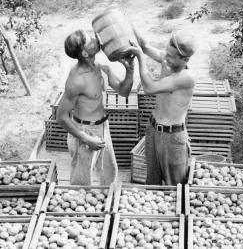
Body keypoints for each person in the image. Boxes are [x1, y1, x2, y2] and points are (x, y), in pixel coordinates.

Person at [56, 29, 134, 185]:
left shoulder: (102, 67)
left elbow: (124, 92)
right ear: (85, 53)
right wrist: (86, 138)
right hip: (84, 131)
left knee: (109, 174)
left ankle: (107, 205)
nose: (95, 38)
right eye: (89, 40)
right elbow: (61, 116)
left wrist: (130, 70)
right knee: (82, 183)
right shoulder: (77, 80)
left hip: (103, 127)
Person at [128, 29, 196, 185]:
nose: (167, 58)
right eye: (167, 53)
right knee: (152, 180)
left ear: (185, 59)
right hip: (153, 130)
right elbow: (145, 46)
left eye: (171, 57)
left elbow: (149, 88)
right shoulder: (167, 59)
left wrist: (140, 58)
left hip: (172, 137)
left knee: (175, 185)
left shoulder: (186, 77)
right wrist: (129, 25)